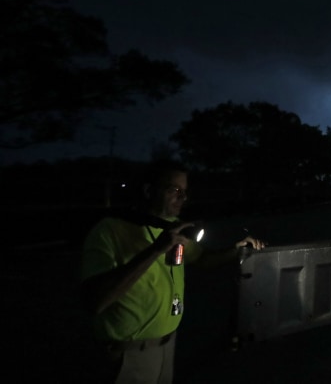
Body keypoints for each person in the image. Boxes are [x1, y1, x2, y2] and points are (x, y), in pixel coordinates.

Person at [79, 159, 266, 384]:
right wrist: (157, 249)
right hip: (128, 355)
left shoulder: (174, 227)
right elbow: (95, 300)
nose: (183, 198)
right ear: (149, 190)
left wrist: (236, 251)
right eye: (174, 190)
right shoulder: (110, 230)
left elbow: (202, 258)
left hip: (168, 347)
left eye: (185, 192)